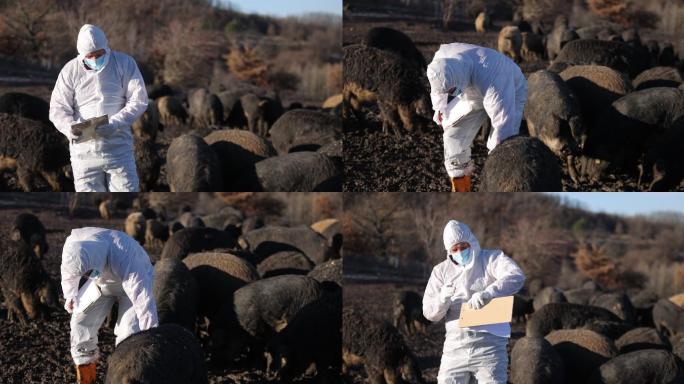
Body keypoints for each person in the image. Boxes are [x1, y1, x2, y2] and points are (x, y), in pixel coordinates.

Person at [423, 220, 525, 384]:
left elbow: (516, 276)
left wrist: (489, 293)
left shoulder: (491, 259)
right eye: (454, 249)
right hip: (455, 348)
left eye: (463, 246)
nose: (460, 251)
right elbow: (429, 313)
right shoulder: (441, 271)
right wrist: (442, 299)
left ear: (471, 241)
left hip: (489, 347)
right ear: (448, 251)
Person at [50, 24, 148, 192]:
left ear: (106, 47)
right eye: (90, 56)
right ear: (81, 54)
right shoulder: (69, 71)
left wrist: (116, 123)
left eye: (99, 54)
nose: (95, 59)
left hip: (118, 150)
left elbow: (138, 100)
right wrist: (69, 128)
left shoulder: (124, 63)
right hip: (84, 155)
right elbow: (58, 108)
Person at [60, 227, 158, 384]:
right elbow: (69, 273)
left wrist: (150, 335)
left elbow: (143, 300)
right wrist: (70, 294)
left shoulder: (126, 258)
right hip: (101, 283)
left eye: (88, 272)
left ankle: (125, 377)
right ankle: (86, 378)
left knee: (129, 336)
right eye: (84, 274)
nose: (85, 275)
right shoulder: (74, 245)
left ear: (97, 260)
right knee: (80, 324)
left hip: (132, 287)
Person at [427, 43, 527, 192]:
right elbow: (438, 89)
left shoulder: (494, 78)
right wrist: (440, 107)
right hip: (471, 93)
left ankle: (500, 188)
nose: (451, 93)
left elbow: (502, 124)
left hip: (510, 86)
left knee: (501, 145)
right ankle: (461, 189)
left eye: (452, 90)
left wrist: (496, 158)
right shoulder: (440, 64)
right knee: (453, 138)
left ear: (458, 79)